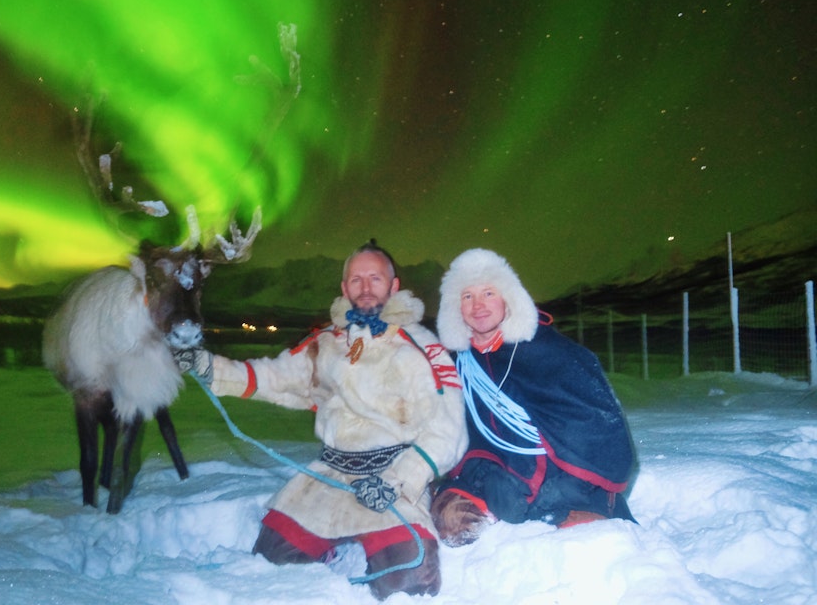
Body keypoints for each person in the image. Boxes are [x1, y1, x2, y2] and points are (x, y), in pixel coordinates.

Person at [175, 241, 467, 599]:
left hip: (389, 480)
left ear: (393, 286)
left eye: (375, 278)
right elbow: (277, 377)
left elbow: (448, 428)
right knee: (271, 563)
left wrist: (400, 480)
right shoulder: (326, 342)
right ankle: (338, 545)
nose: (364, 288)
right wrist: (213, 368)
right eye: (355, 280)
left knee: (405, 583)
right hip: (331, 476)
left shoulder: (421, 346)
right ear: (344, 289)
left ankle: (371, 543)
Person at [430, 248, 636, 547]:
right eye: (467, 296)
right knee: (452, 523)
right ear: (455, 308)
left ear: (508, 298)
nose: (478, 306)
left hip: (562, 477)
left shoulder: (550, 351)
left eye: (488, 293)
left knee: (581, 542)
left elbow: (594, 425)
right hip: (493, 472)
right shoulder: (458, 363)